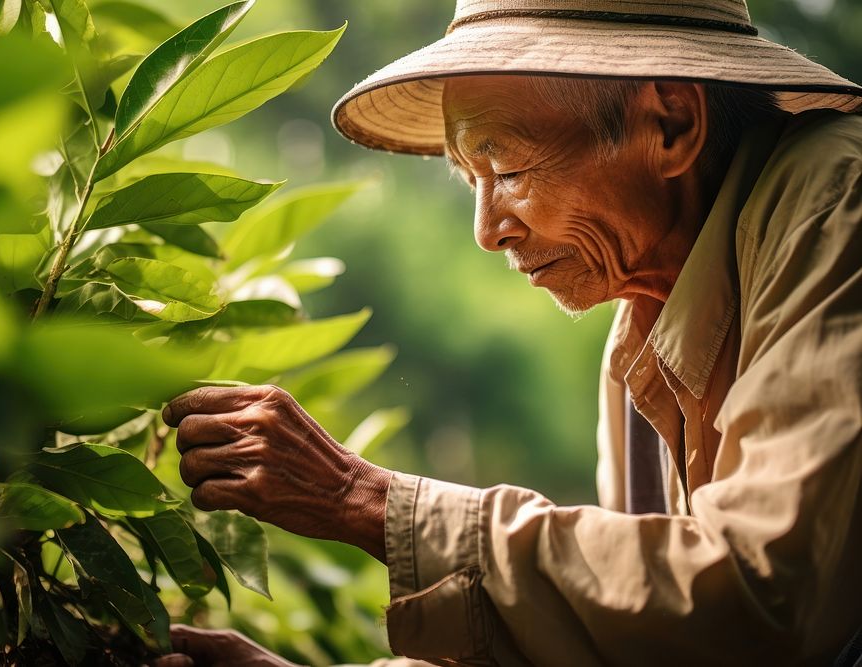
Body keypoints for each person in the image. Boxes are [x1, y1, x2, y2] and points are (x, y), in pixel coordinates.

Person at [155, 0, 862, 664]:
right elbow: (632, 640)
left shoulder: (836, 202)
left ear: (671, 124)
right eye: (471, 181)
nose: (488, 231)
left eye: (510, 168)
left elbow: (767, 592)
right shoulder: (640, 337)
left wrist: (362, 500)